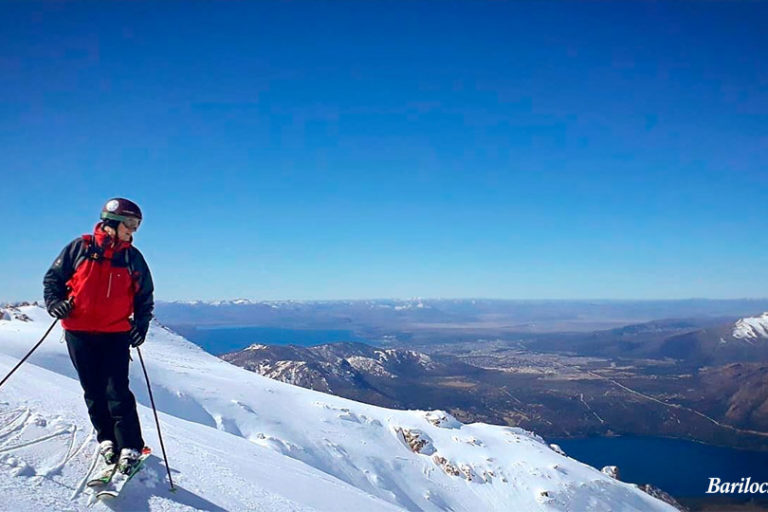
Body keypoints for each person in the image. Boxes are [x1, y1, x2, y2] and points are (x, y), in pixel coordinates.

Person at [43, 198, 154, 478]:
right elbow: (53, 280)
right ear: (111, 223)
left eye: (137, 225)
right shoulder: (79, 248)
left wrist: (141, 325)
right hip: (78, 332)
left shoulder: (132, 257)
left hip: (115, 333)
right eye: (130, 224)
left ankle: (130, 446)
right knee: (92, 389)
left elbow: (144, 297)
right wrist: (55, 303)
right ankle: (106, 439)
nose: (134, 230)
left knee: (117, 390)